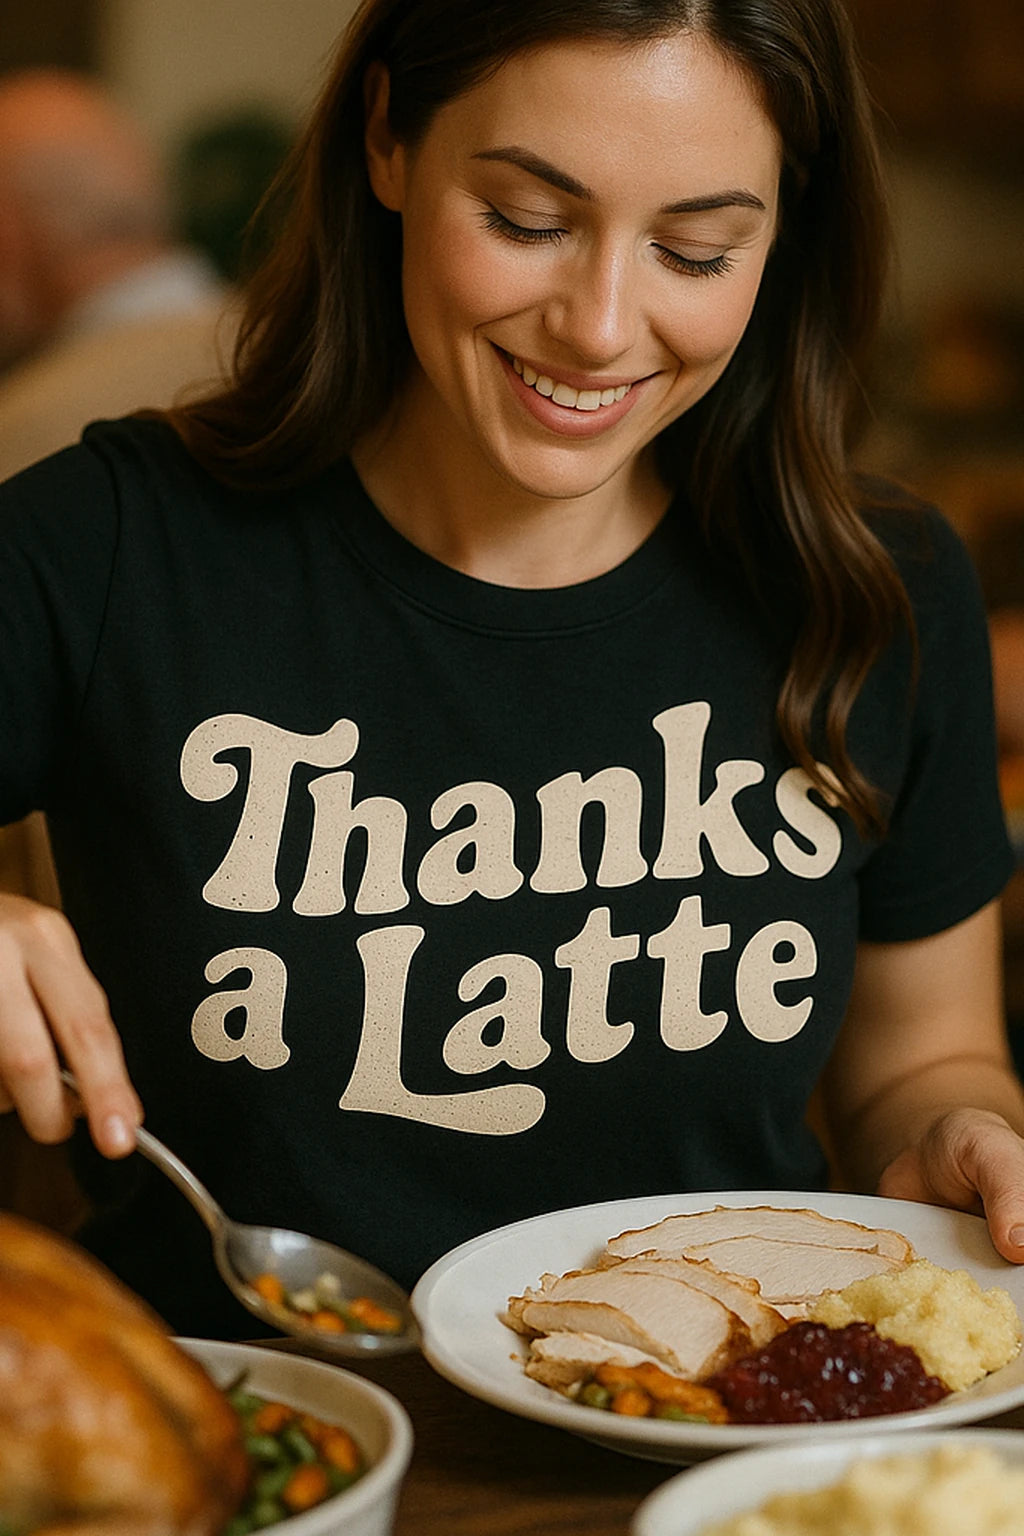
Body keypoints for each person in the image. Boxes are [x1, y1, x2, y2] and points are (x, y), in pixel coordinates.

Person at [0, 0, 1022, 1340]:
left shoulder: (876, 585)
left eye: (697, 248)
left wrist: (962, 1130)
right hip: (260, 1443)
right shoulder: (108, 545)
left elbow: (925, 1054)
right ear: (386, 140)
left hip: (733, 1434)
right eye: (528, 221)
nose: (600, 327)